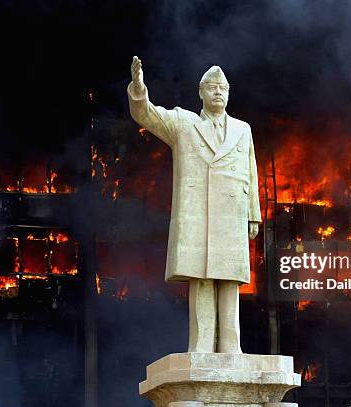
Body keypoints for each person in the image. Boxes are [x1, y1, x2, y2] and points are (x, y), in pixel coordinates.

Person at [127, 56, 261, 353]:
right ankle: (200, 346)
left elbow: (250, 171)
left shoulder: (243, 129)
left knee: (230, 279)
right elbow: (147, 114)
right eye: (212, 87)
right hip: (198, 211)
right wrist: (139, 89)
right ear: (200, 92)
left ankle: (230, 347)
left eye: (223, 88)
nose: (218, 92)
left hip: (231, 213)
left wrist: (254, 214)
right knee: (201, 278)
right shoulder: (183, 122)